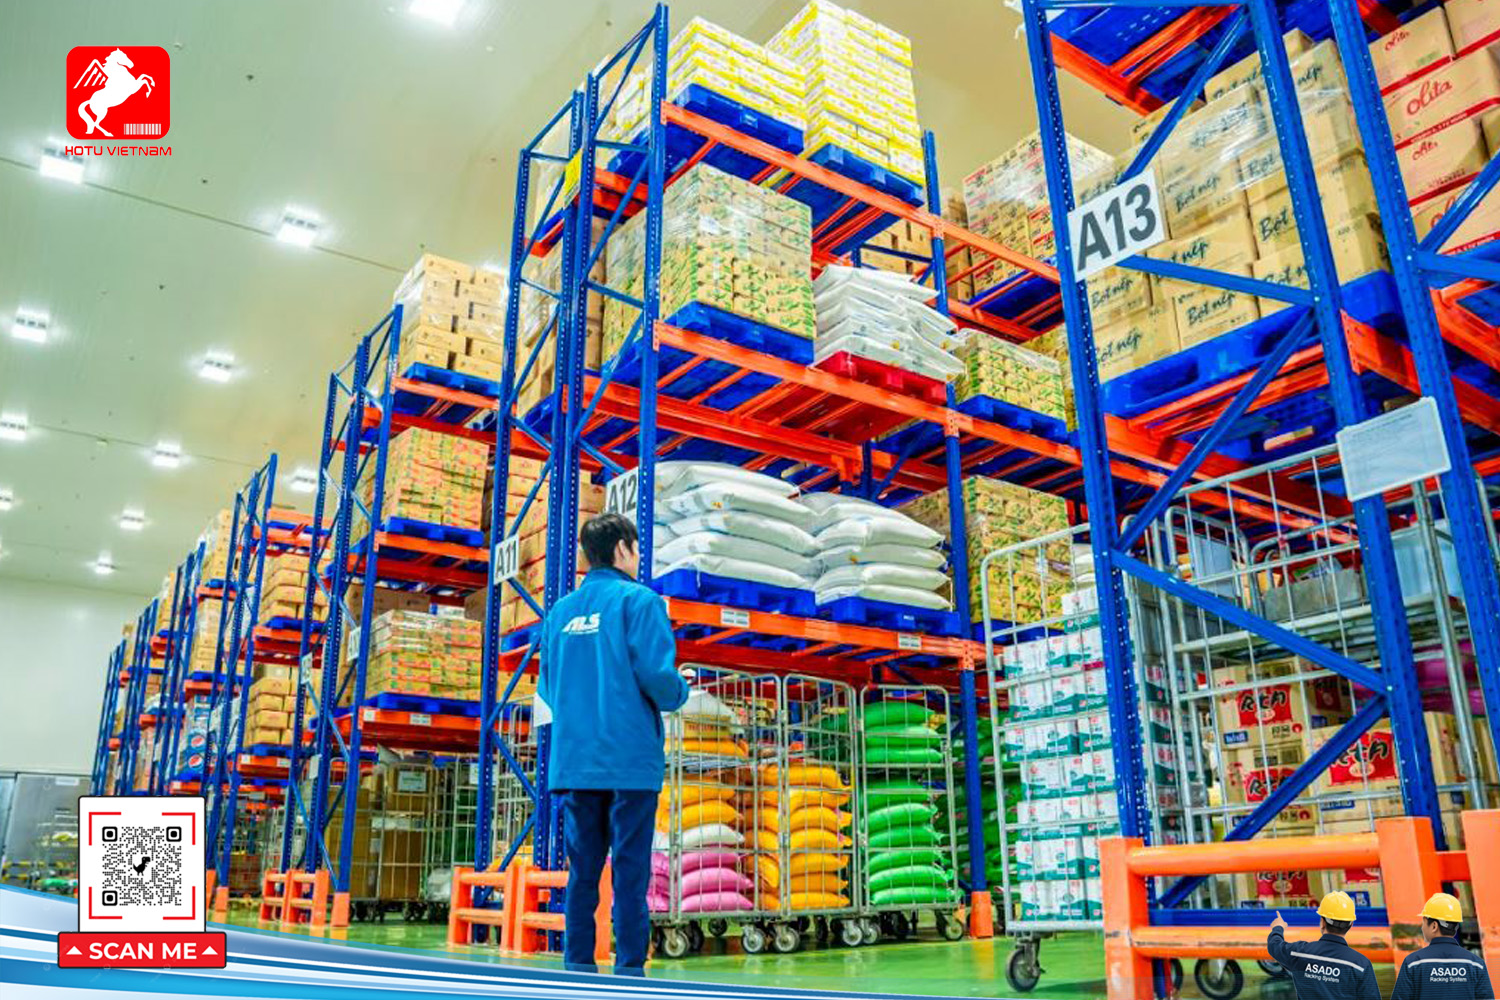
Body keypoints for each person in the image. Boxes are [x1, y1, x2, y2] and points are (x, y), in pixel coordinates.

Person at [536, 512, 689, 976]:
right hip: (628, 761)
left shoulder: (559, 613)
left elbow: (548, 687)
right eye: (637, 548)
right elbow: (658, 677)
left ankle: (578, 968)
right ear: (623, 549)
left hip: (576, 763)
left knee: (583, 873)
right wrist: (680, 689)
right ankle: (629, 971)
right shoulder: (640, 601)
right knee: (630, 872)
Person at [1266, 891, 1381, 1000]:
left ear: (1322, 922)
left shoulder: (1300, 953)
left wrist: (1278, 927)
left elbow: (1274, 945)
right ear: (1351, 924)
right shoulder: (1360, 965)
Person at [1391, 893, 1493, 1000]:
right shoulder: (1476, 964)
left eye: (1424, 923)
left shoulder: (1413, 963)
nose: (1422, 928)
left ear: (1434, 926)